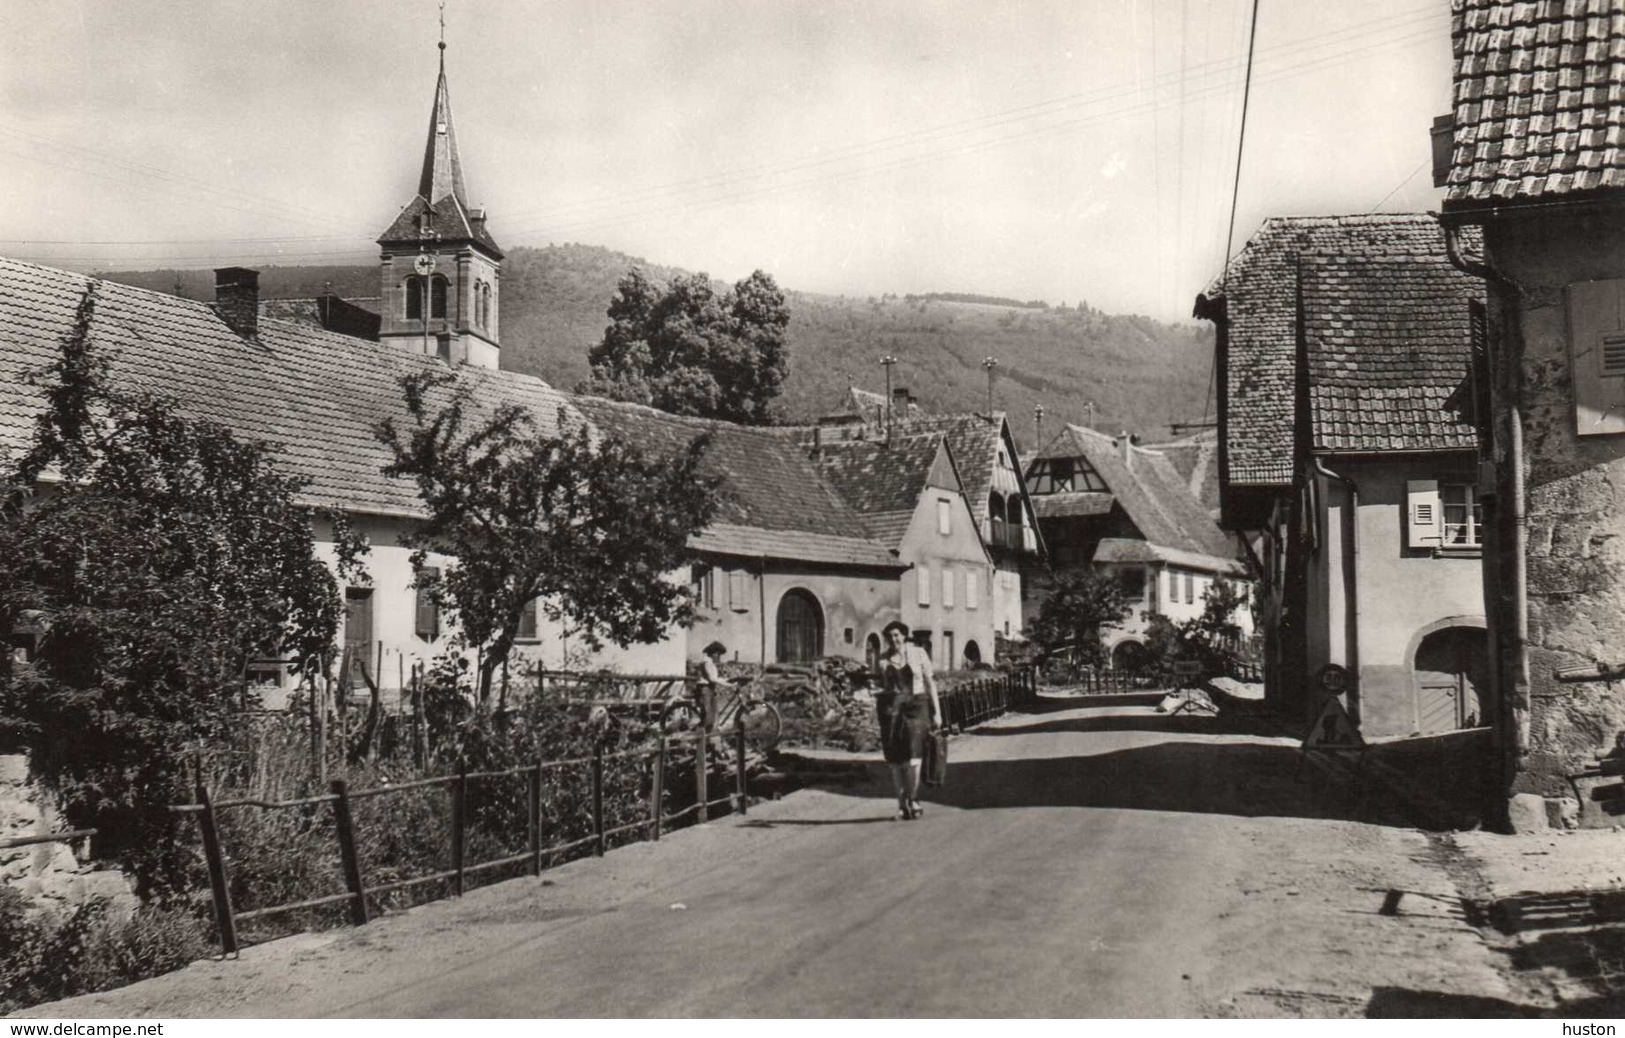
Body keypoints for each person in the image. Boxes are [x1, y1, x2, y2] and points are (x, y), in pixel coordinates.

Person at [875, 620, 942, 820]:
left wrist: (937, 712)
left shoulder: (919, 654)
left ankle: (913, 797)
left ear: (903, 635)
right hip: (892, 710)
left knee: (913, 758)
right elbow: (882, 687)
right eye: (890, 637)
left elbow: (930, 683)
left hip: (917, 707)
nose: (893, 639)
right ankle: (901, 804)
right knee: (895, 760)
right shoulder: (882, 660)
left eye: (896, 635)